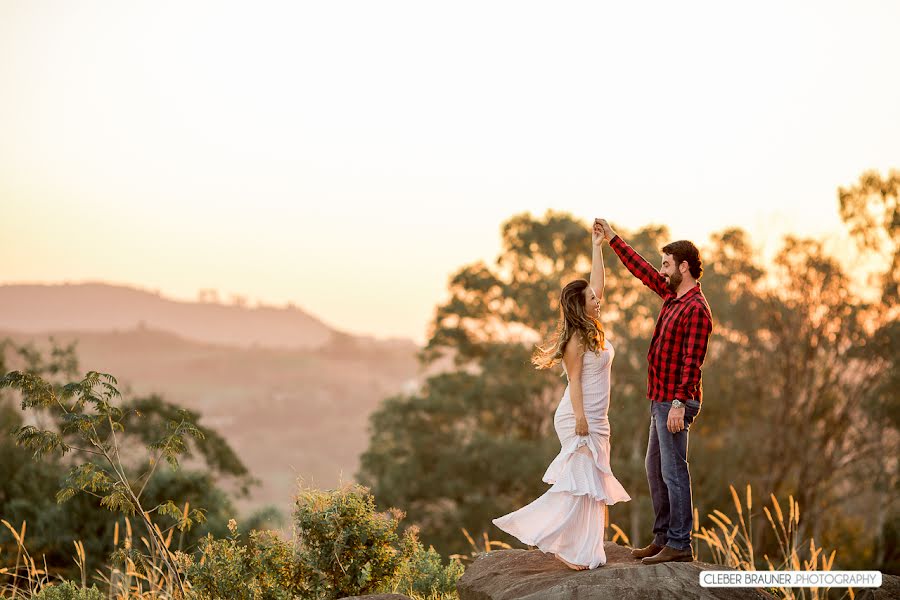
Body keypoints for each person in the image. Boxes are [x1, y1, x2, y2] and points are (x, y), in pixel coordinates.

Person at [492, 224, 630, 570]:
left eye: (596, 297)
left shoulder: (593, 327)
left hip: (599, 418)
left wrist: (598, 246)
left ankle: (582, 548)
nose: (598, 299)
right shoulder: (577, 340)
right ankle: (564, 548)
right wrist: (582, 420)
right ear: (582, 306)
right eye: (592, 298)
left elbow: (598, 282)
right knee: (579, 483)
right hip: (578, 416)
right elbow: (575, 383)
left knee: (592, 484)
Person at [594, 218, 713, 565]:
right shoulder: (673, 296)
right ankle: (663, 538)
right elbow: (641, 270)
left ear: (684, 266)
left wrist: (678, 403)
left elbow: (693, 363)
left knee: (673, 470)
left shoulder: (696, 309)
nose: (661, 271)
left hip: (675, 401)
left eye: (667, 265)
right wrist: (613, 238)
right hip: (660, 398)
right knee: (655, 467)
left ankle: (679, 543)